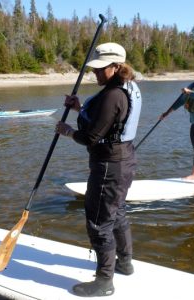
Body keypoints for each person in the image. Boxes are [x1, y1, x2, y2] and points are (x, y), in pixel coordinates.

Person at [55, 42, 142, 297]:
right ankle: (124, 264)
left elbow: (91, 137)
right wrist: (79, 109)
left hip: (109, 167)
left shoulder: (113, 95)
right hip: (123, 161)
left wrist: (68, 131)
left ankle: (104, 281)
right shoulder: (127, 88)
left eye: (100, 68)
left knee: (98, 222)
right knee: (117, 214)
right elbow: (107, 123)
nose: (95, 73)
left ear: (116, 67)